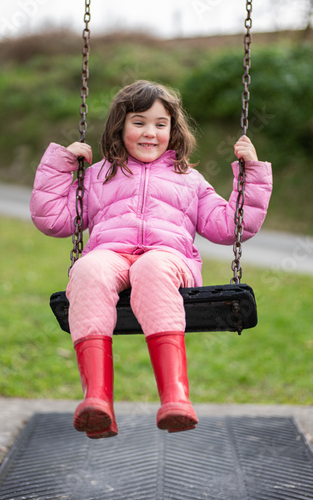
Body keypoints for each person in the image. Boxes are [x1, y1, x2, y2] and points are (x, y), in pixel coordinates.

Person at [30, 80, 272, 439]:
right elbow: (52, 219)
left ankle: (175, 397)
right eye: (139, 122)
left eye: (161, 124)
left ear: (173, 131)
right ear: (119, 127)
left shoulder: (189, 180)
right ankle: (97, 400)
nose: (150, 132)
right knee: (88, 268)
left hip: (169, 261)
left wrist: (250, 173)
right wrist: (61, 165)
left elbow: (230, 227)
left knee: (151, 267)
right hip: (111, 255)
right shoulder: (99, 176)